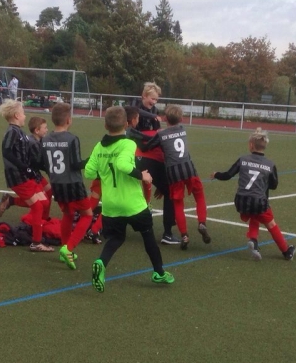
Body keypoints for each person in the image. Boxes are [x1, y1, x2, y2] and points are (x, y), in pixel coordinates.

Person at [83, 105, 175, 292]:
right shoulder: (128, 143)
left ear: (105, 125)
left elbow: (89, 172)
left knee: (116, 238)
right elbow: (122, 165)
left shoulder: (99, 147)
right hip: (133, 204)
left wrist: (104, 171)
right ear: (126, 124)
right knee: (148, 236)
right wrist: (143, 176)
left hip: (111, 205)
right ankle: (159, 272)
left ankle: (101, 262)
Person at [212, 127, 296, 262]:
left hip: (241, 201)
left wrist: (216, 174)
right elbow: (274, 185)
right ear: (265, 146)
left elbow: (227, 175)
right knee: (271, 224)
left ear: (251, 145)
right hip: (258, 201)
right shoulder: (270, 164)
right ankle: (286, 251)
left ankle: (253, 240)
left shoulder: (242, 159)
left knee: (254, 215)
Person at [42, 102, 97, 270]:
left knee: (67, 213)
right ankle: (68, 248)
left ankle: (64, 250)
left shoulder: (45, 139)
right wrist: (91, 160)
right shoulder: (72, 139)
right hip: (72, 183)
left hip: (57, 183)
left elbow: (44, 163)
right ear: (68, 120)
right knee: (87, 215)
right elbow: (75, 164)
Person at [0, 99, 54, 252]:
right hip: (18, 176)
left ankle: (10, 201)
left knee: (44, 202)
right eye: (23, 113)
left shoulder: (19, 132)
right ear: (16, 115)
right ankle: (36, 242)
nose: (25, 116)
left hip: (26, 175)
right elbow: (6, 151)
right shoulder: (12, 132)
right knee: (37, 206)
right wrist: (24, 168)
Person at [156, 104, 211, 249]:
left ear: (165, 118)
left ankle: (184, 235)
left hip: (173, 172)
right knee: (199, 196)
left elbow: (150, 145)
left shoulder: (161, 135)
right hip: (189, 169)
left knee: (178, 204)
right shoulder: (183, 129)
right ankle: (202, 222)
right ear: (181, 119)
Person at [133, 82, 177, 245]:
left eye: (156, 99)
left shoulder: (155, 112)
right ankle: (167, 233)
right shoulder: (135, 107)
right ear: (144, 96)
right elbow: (134, 130)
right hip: (141, 155)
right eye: (152, 98)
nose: (154, 102)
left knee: (167, 189)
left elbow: (157, 138)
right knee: (170, 192)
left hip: (149, 156)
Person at [27, 116, 53, 219]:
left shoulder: (39, 140)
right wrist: (50, 169)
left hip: (35, 173)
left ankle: (44, 217)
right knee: (41, 200)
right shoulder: (32, 143)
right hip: (30, 175)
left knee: (49, 191)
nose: (47, 130)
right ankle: (11, 201)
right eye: (45, 128)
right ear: (37, 131)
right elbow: (38, 163)